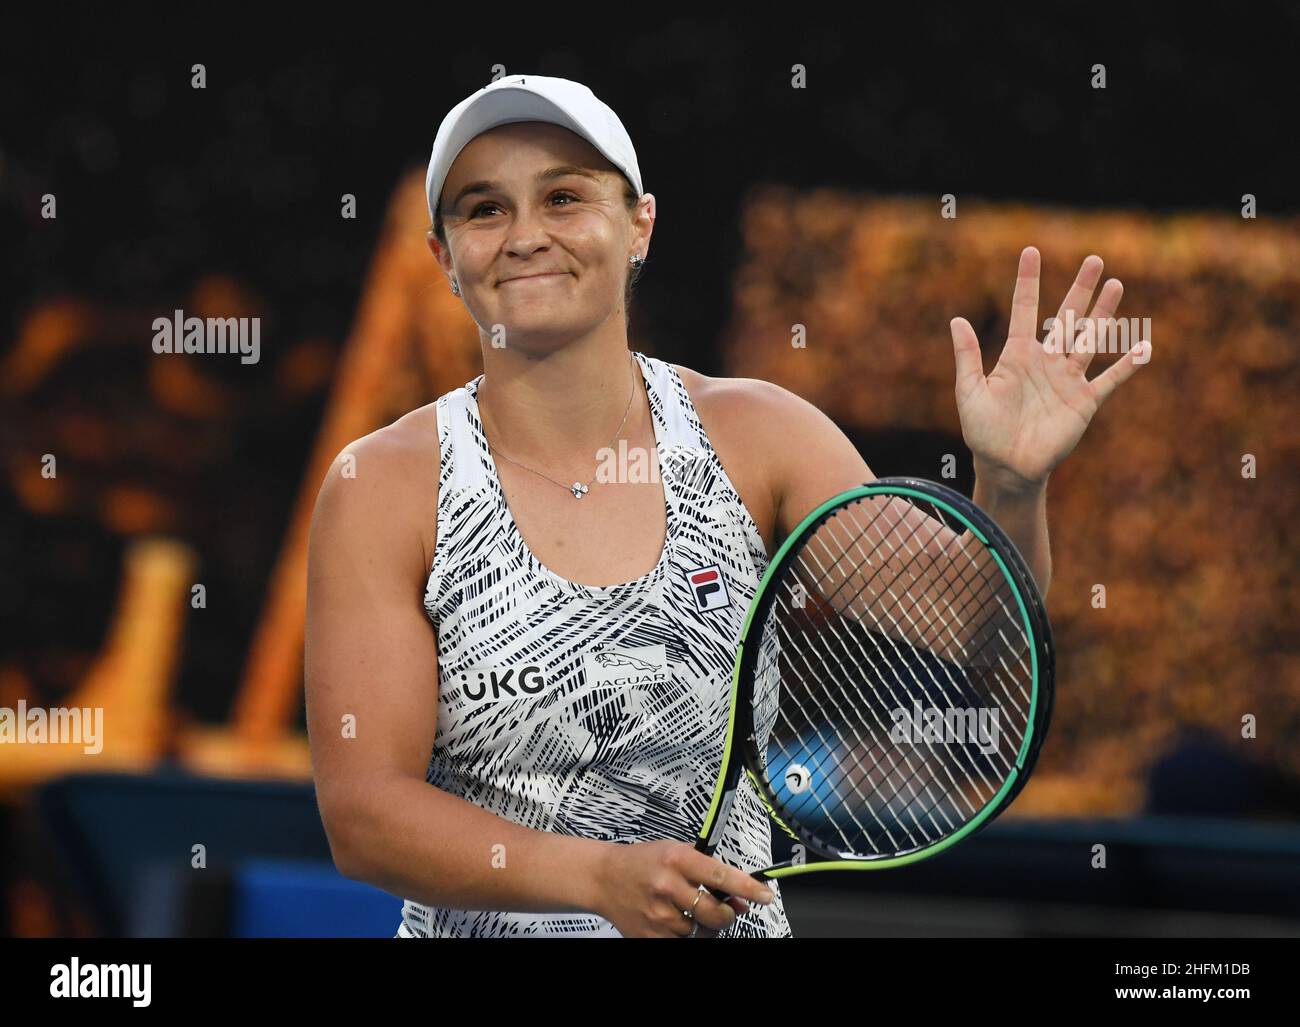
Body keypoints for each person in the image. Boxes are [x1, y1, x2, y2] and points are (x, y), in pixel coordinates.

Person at [304, 74, 1146, 938]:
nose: (525, 236)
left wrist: (1010, 481)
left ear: (640, 226)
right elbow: (366, 813)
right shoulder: (383, 485)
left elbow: (972, 618)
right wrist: (597, 877)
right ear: (444, 257)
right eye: (484, 209)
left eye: (563, 197)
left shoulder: (759, 434)